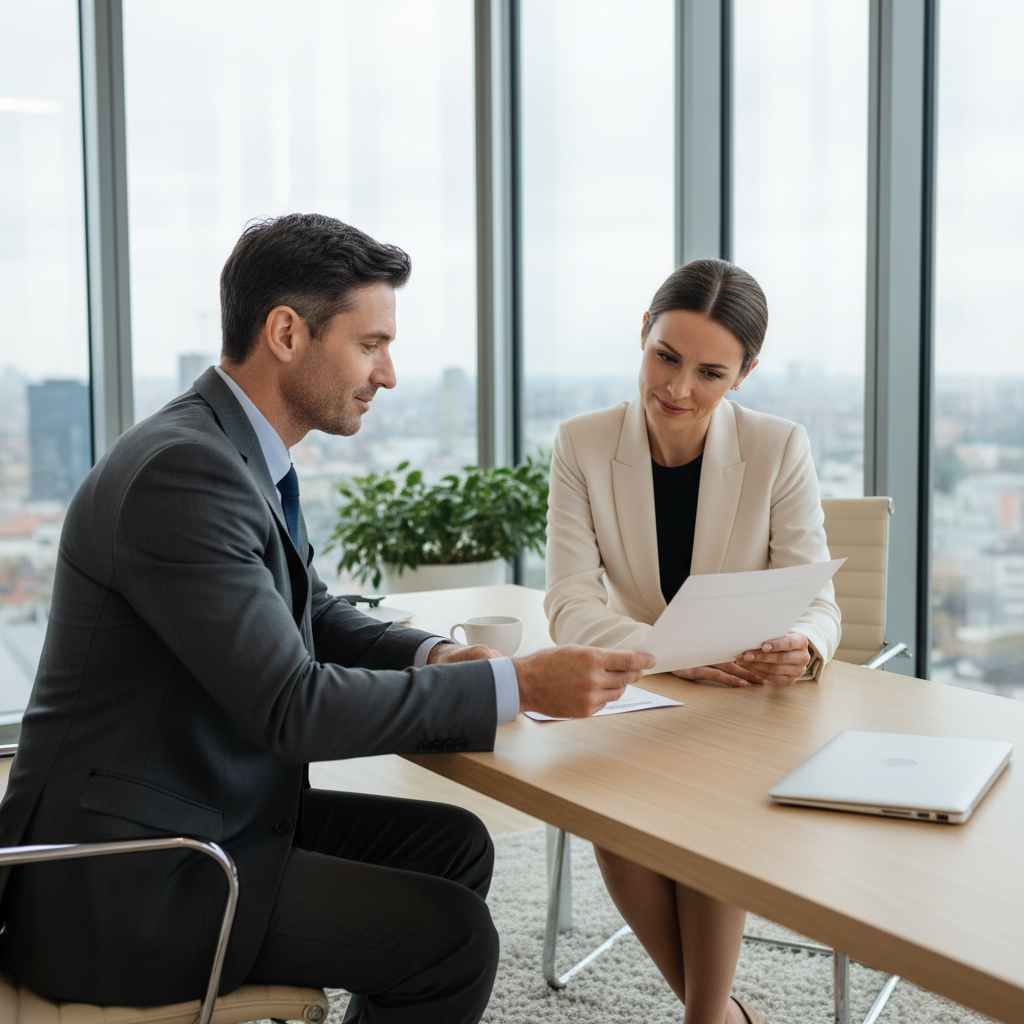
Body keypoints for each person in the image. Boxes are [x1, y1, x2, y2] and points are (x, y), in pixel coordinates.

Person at [0, 213, 654, 1024]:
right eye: (371, 343)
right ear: (285, 332)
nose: (387, 373)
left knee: (454, 846)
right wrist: (511, 683)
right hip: (127, 879)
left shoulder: (233, 451)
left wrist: (434, 658)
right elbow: (291, 707)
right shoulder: (186, 474)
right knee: (454, 941)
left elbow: (310, 609)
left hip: (198, 812)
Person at [544, 258, 841, 1024]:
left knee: (704, 818)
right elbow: (569, 602)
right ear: (643, 335)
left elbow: (820, 599)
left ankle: (708, 1017)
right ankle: (720, 1016)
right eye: (665, 358)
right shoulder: (581, 443)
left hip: (747, 701)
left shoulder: (779, 448)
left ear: (745, 373)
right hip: (646, 687)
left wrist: (802, 647)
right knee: (616, 827)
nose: (678, 389)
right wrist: (666, 651)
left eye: (710, 372)